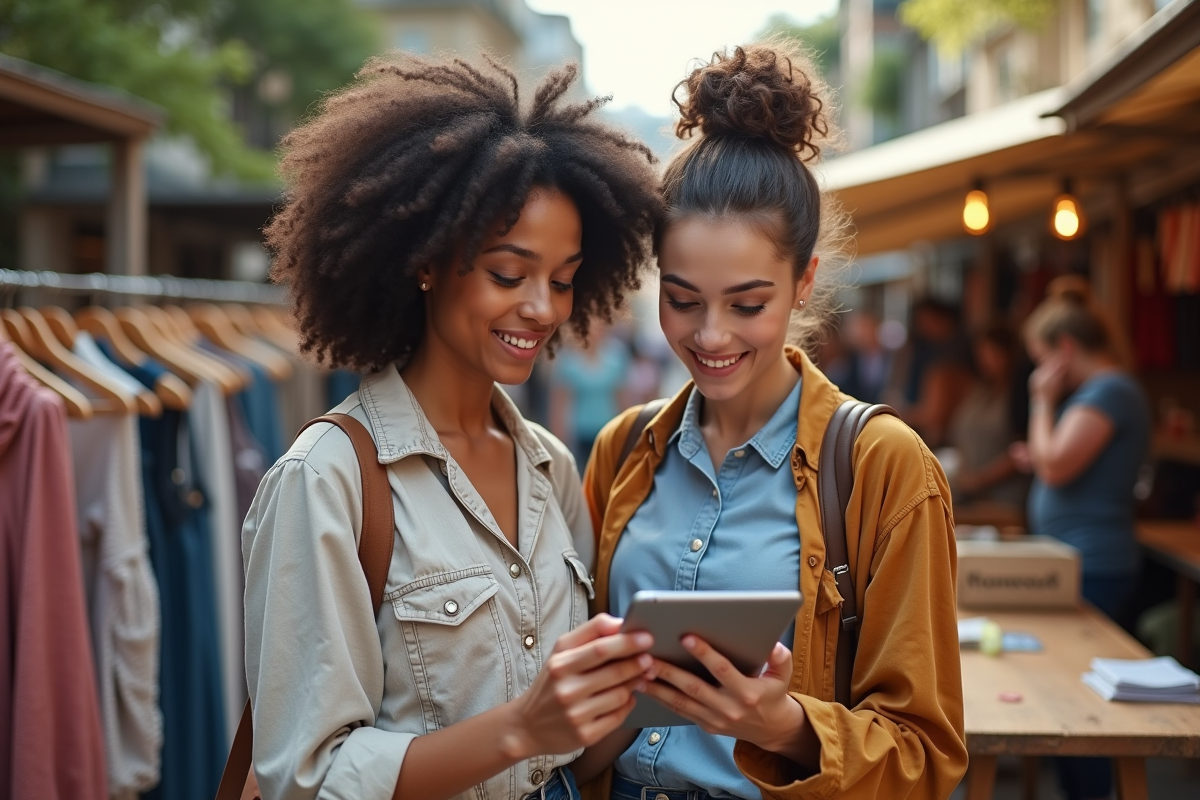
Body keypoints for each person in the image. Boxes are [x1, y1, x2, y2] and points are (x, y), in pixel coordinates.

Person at [243, 53, 664, 800]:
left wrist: (665, 688)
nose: (542, 307)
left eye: (563, 280)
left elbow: (572, 760)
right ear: (429, 263)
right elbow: (301, 779)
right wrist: (519, 729)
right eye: (510, 274)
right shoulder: (329, 479)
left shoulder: (551, 469)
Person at [581, 43, 967, 800]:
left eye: (748, 304)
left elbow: (926, 755)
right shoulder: (622, 450)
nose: (711, 336)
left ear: (804, 283)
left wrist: (783, 725)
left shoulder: (882, 465)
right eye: (683, 300)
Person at [1014, 278, 1151, 800]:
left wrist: (1040, 403)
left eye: (1042, 359)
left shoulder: (1109, 390)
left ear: (1064, 349)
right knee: (1069, 700)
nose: (1041, 372)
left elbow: (1055, 463)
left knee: (1083, 712)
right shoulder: (1104, 392)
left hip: (1094, 564)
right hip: (1080, 560)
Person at [946, 323, 1027, 514]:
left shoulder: (1019, 395)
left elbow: (1021, 448)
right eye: (980, 353)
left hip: (1006, 499)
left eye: (991, 353)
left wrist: (979, 480)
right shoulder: (979, 390)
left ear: (1008, 354)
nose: (984, 360)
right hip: (972, 495)